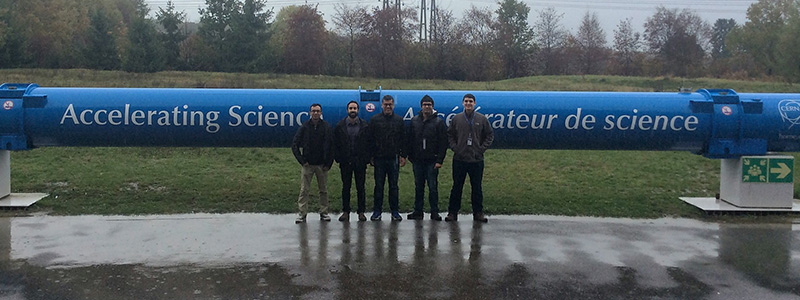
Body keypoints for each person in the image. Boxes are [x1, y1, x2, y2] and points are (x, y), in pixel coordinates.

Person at [446, 93, 494, 223]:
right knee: (457, 186)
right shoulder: (457, 118)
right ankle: (452, 213)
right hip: (459, 159)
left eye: (471, 101)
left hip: (476, 159)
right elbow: (450, 134)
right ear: (462, 103)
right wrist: (455, 148)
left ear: (475, 103)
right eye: (466, 101)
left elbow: (489, 135)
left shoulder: (482, 119)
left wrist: (481, 149)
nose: (468, 103)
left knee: (476, 187)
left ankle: (478, 213)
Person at [407, 95, 447, 221]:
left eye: (429, 104)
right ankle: (418, 211)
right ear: (421, 106)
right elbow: (410, 139)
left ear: (432, 107)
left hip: (432, 161)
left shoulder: (438, 122)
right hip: (418, 160)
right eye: (425, 104)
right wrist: (411, 156)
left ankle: (434, 212)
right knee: (419, 187)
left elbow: (443, 143)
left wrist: (439, 160)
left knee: (433, 187)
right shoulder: (414, 121)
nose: (427, 107)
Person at [291, 103, 334, 224]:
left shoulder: (326, 127)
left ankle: (324, 212)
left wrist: (328, 163)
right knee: (304, 190)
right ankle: (302, 213)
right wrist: (302, 161)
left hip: (322, 165)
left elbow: (332, 146)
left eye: (318, 111)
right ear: (310, 113)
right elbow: (294, 144)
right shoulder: (305, 127)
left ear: (321, 113)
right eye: (313, 111)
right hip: (308, 165)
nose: (315, 113)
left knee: (323, 190)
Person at [368, 95, 407, 222]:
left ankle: (395, 211)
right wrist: (371, 156)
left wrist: (403, 155)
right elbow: (370, 139)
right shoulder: (375, 120)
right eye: (386, 104)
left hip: (393, 158)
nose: (388, 106)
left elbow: (403, 139)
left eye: (390, 104)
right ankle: (377, 211)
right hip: (379, 158)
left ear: (393, 105)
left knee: (394, 186)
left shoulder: (399, 120)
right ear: (382, 105)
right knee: (379, 186)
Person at [334, 101, 370, 222]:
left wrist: (366, 159)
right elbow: (336, 144)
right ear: (347, 110)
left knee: (361, 187)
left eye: (354, 108)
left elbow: (369, 143)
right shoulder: (340, 126)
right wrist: (339, 158)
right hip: (345, 162)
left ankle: (361, 212)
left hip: (360, 161)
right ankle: (345, 211)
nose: (353, 110)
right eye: (350, 108)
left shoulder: (364, 125)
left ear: (358, 110)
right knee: (346, 187)